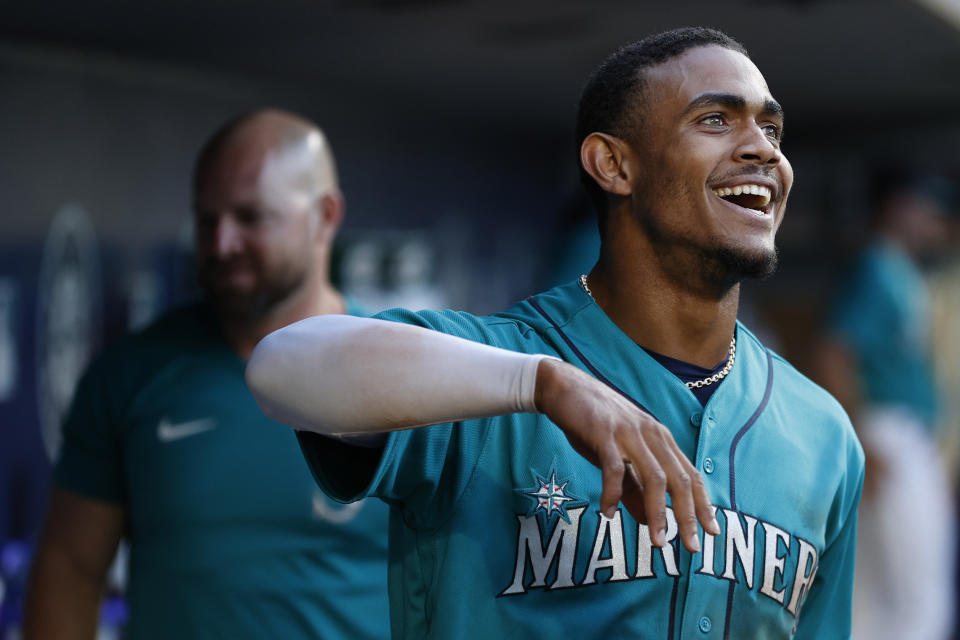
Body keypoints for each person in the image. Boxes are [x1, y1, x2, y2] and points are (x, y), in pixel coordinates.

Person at [247, 29, 864, 639]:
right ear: (613, 164)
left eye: (771, 129)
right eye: (716, 120)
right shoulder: (493, 367)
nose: (764, 151)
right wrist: (540, 383)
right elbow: (279, 366)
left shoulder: (824, 434)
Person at [23, 110, 390, 639]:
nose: (221, 245)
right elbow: (71, 571)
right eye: (206, 220)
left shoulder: (402, 381)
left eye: (251, 217)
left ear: (325, 217)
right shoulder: (130, 375)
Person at [815, 171, 954, 640]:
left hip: (895, 435)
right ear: (898, 208)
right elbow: (833, 351)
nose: (937, 223)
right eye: (928, 211)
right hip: (887, 434)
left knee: (874, 597)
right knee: (920, 598)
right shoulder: (877, 267)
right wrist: (857, 440)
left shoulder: (899, 271)